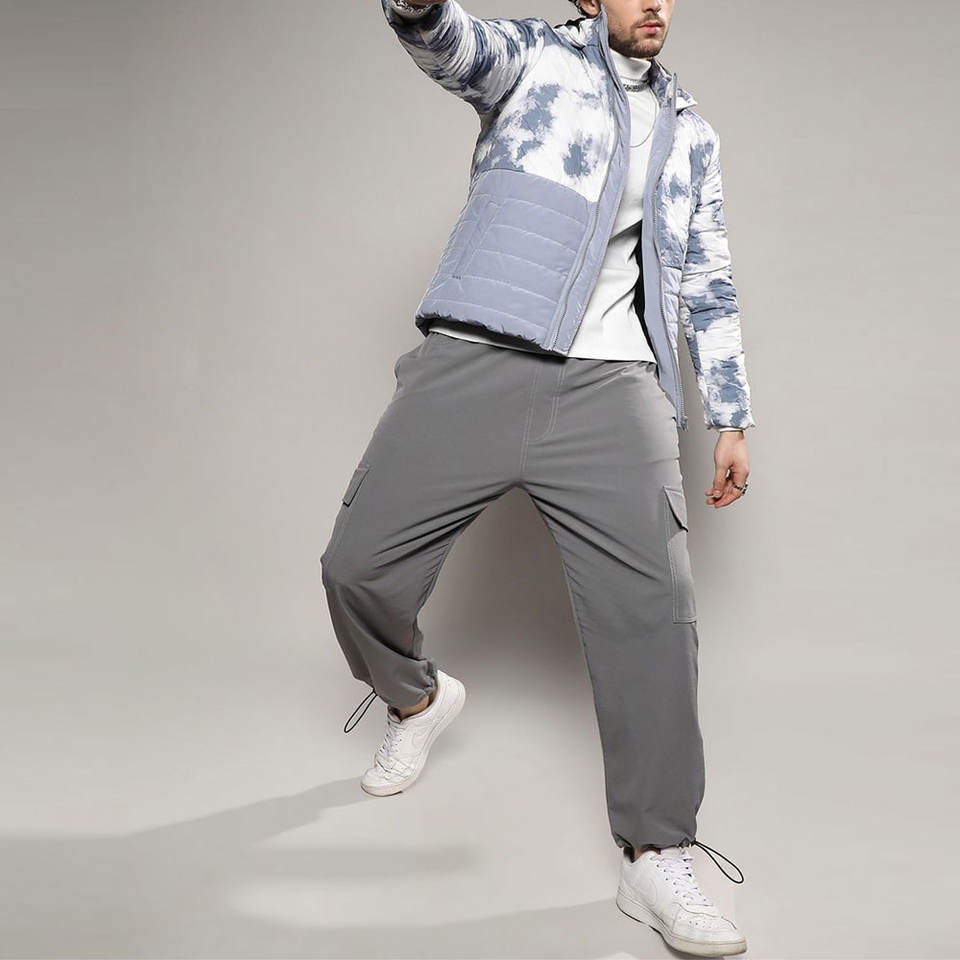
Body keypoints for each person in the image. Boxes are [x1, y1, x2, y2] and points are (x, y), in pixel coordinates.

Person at [320, 0, 755, 954]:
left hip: (613, 386)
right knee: (356, 569)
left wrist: (729, 414)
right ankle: (417, 698)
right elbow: (444, 40)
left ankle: (657, 852)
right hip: (476, 357)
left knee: (654, 619)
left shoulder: (692, 134)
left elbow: (706, 279)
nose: (656, 4)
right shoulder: (527, 63)